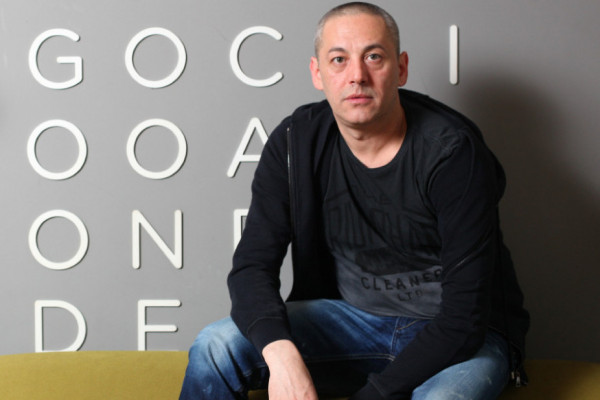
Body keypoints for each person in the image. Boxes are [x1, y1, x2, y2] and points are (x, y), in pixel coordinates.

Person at [179, 2, 529, 399]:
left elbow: (464, 320)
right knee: (216, 344)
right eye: (339, 60)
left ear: (401, 69)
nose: (357, 75)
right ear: (318, 73)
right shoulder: (295, 143)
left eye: (374, 57)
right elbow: (251, 269)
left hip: (458, 338)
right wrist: (282, 355)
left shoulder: (451, 153)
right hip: (352, 323)